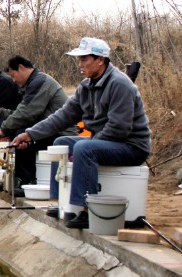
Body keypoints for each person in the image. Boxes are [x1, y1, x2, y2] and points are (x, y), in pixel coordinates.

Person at [12, 37, 151, 228]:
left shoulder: (120, 84)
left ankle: (87, 209)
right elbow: (62, 116)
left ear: (100, 60)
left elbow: (119, 128)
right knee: (61, 143)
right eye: (79, 59)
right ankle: (61, 202)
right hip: (106, 142)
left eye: (84, 59)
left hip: (131, 146)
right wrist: (30, 134)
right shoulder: (86, 86)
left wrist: (85, 149)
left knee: (84, 148)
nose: (80, 64)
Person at [0, 56, 79, 197]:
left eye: (13, 75)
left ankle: (27, 181)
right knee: (20, 132)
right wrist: (2, 112)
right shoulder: (33, 83)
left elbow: (28, 112)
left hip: (63, 133)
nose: (14, 80)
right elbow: (26, 111)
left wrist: (3, 128)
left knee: (22, 133)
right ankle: (16, 177)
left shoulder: (40, 82)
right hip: (48, 129)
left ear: (21, 68)